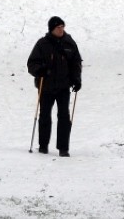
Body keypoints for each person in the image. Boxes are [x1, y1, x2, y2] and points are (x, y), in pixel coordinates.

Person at [27, 16, 83, 157]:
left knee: (64, 116)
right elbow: (32, 64)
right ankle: (43, 145)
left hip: (64, 86)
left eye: (62, 26)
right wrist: (40, 70)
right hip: (45, 86)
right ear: (52, 28)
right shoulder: (42, 44)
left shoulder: (69, 43)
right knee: (45, 116)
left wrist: (77, 79)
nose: (61, 29)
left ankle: (63, 148)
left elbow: (76, 63)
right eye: (58, 27)